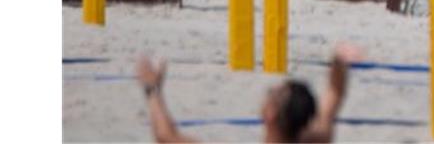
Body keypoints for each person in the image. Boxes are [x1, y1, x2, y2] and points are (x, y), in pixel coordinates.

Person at [136, 45, 359, 144]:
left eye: (272, 93)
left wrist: (152, 90)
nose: (268, 92)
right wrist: (339, 61)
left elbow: (166, 137)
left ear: (270, 114)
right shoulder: (318, 138)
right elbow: (335, 94)